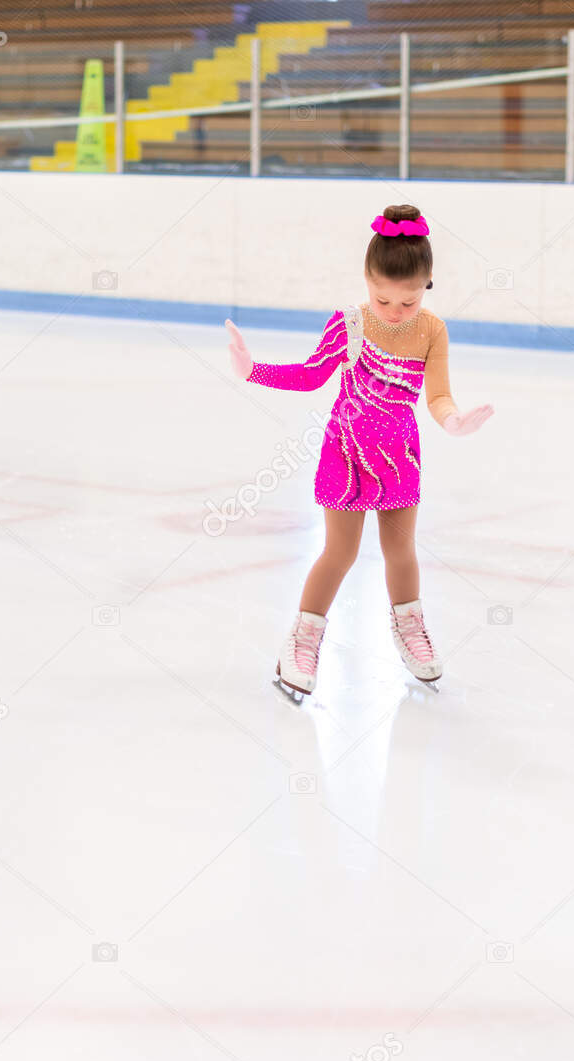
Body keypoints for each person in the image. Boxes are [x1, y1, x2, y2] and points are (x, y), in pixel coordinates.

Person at [224, 204, 493, 697]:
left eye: (407, 302)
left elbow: (436, 395)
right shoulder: (349, 324)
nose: (394, 312)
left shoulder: (432, 330)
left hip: (399, 458)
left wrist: (453, 421)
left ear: (428, 284)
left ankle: (409, 627)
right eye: (382, 299)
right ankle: (302, 639)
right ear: (367, 281)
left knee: (400, 551)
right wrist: (252, 370)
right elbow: (309, 375)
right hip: (345, 456)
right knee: (339, 552)